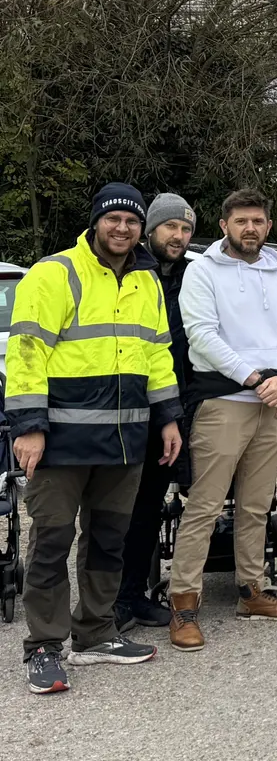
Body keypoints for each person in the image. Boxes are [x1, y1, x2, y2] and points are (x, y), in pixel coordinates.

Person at [7, 183, 180, 692]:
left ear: (141, 228)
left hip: (125, 440)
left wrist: (168, 417)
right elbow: (26, 353)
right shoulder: (55, 272)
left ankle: (96, 631)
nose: (122, 229)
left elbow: (157, 354)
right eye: (113, 219)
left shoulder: (146, 280)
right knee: (52, 541)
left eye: (131, 221)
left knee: (109, 540)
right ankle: (43, 646)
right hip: (60, 441)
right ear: (95, 222)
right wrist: (29, 427)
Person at [170, 188, 277, 653]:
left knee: (257, 505)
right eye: (241, 220)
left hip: (273, 405)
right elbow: (202, 336)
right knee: (205, 506)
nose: (250, 228)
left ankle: (252, 591)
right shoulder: (202, 272)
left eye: (258, 221)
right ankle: (184, 603)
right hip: (224, 403)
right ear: (225, 224)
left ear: (269, 227)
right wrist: (255, 378)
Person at [115, 192, 194, 634]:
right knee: (115, 510)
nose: (178, 236)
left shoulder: (194, 276)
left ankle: (133, 595)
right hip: (126, 410)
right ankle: (106, 601)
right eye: (170, 227)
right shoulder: (134, 272)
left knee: (148, 507)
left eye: (185, 229)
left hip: (172, 410)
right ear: (151, 230)